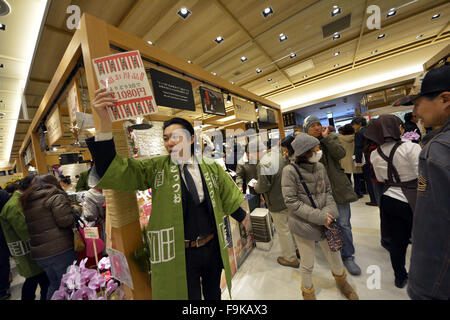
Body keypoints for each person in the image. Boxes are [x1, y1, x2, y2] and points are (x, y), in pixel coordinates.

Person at [84, 87, 247, 300]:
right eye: (166, 138)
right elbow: (116, 171)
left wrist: (244, 219)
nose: (169, 142)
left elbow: (228, 197)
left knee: (214, 294)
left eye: (176, 137)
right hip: (181, 254)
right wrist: (104, 124)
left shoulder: (211, 167)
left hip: (212, 246)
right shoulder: (156, 168)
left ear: (190, 139)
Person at [394, 65, 450, 299]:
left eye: (418, 104)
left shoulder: (437, 150)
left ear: (445, 98)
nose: (415, 112)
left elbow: (433, 227)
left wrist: (422, 288)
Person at [281, 133, 358, 300]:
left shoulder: (320, 167)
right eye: (316, 148)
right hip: (303, 224)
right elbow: (292, 202)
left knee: (335, 256)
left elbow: (328, 192)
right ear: (305, 152)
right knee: (307, 263)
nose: (319, 150)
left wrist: (329, 213)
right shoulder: (289, 171)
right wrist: (320, 216)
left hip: (326, 220)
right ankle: (307, 291)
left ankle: (342, 282)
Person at [364, 115, 421, 288]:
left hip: (389, 198)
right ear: (398, 128)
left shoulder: (375, 153)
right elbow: (422, 173)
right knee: (422, 239)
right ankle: (423, 275)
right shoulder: (411, 147)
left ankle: (400, 277)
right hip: (413, 198)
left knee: (398, 242)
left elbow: (381, 178)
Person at [303, 115, 361, 275]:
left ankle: (348, 256)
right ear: (306, 129)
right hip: (318, 193)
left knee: (344, 224)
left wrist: (326, 139)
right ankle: (334, 255)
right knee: (325, 225)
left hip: (338, 188)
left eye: (318, 124)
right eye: (312, 125)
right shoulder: (304, 147)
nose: (316, 127)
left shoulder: (331, 139)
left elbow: (340, 153)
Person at [21, 175, 77, 300]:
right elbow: (65, 221)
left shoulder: (28, 201)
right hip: (60, 250)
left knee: (55, 284)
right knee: (71, 284)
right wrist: (74, 211)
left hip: (41, 255)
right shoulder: (55, 196)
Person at [0, 175, 50, 300]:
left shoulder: (15, 202)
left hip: (25, 251)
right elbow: (25, 232)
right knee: (39, 280)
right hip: (27, 252)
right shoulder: (14, 205)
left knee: (36, 280)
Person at [254, 139, 299, 268]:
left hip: (276, 201)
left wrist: (256, 186)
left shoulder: (263, 163)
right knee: (291, 227)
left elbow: (263, 187)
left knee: (283, 230)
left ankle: (290, 258)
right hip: (288, 197)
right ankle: (297, 250)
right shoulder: (278, 155)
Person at [351, 116, 377, 206]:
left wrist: (357, 160)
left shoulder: (358, 133)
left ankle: (373, 199)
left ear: (359, 124)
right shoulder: (370, 130)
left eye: (354, 125)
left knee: (369, 179)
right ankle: (377, 197)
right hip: (373, 155)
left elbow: (358, 148)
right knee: (374, 177)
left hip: (365, 157)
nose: (353, 127)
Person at [338, 124, 363, 198]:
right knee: (357, 178)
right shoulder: (356, 137)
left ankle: (349, 193)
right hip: (355, 158)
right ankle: (358, 193)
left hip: (344, 159)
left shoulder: (340, 139)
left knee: (347, 178)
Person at [0, 189, 11, 300]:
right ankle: (2, 290)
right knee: (3, 263)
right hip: (1, 235)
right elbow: (9, 214)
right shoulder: (2, 194)